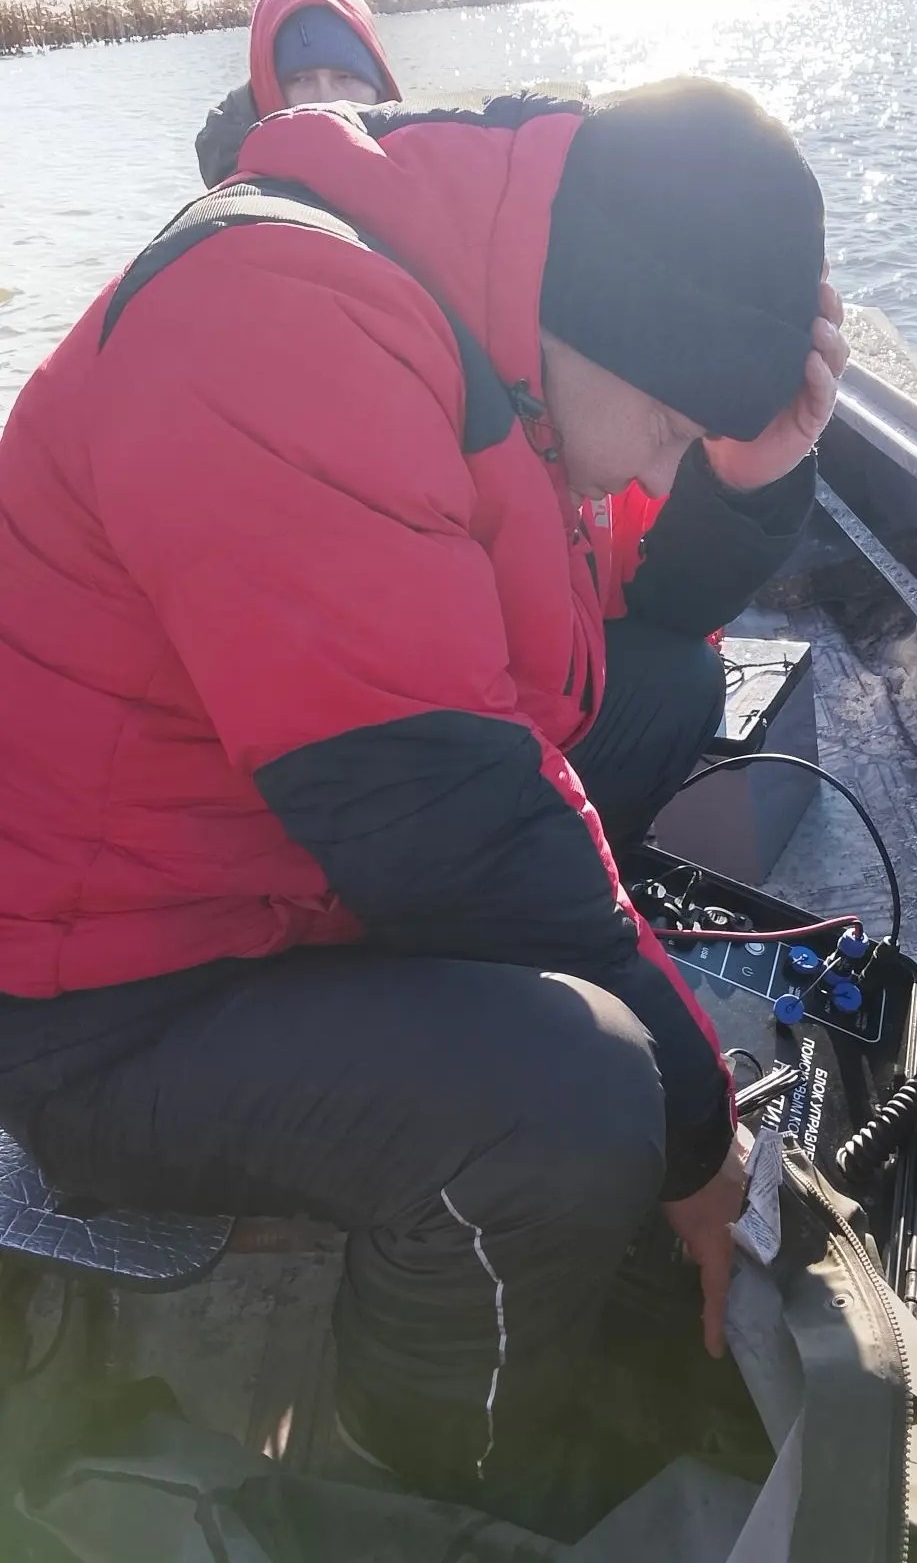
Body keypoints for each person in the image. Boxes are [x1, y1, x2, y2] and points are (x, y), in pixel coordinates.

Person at [0, 78, 847, 1537]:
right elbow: (448, 824)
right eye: (668, 423)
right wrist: (698, 1130)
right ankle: (437, 1460)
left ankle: (549, 1092)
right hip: (104, 1001)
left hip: (278, 867)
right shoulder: (277, 327)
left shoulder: (492, 328)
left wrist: (751, 477)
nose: (660, 467)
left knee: (667, 689)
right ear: (604, 317)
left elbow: (620, 622)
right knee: (571, 1096)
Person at [195, 0, 399, 188]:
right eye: (302, 80)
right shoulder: (237, 197)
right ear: (269, 92)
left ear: (380, 86)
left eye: (345, 77)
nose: (327, 100)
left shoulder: (421, 164)